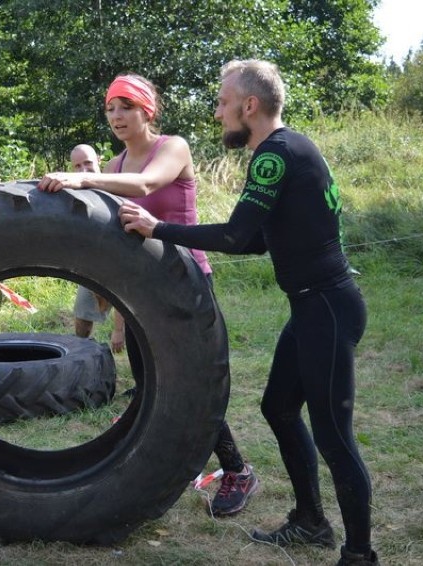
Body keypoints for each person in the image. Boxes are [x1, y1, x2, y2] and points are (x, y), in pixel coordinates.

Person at [119, 60, 377, 566]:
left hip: (326, 306)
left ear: (249, 105)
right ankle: (310, 522)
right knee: (278, 408)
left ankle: (360, 553)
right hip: (314, 305)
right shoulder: (290, 147)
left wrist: (157, 229)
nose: (218, 113)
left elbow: (236, 236)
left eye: (222, 102)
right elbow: (260, 239)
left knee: (334, 436)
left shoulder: (272, 156)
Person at [40, 73, 259, 518]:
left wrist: (79, 178)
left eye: (127, 107)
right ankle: (159, 461)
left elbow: (145, 186)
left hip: (187, 281)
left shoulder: (171, 148)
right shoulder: (117, 163)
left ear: (147, 111)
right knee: (151, 380)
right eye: (110, 109)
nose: (117, 117)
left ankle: (237, 471)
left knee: (192, 382)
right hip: (141, 289)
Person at [68, 144, 116, 341]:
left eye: (87, 163)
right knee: (83, 315)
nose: (83, 169)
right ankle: (82, 353)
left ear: (99, 161)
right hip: (92, 261)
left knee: (133, 316)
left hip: (122, 258)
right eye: (77, 166)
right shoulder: (74, 193)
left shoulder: (115, 185)